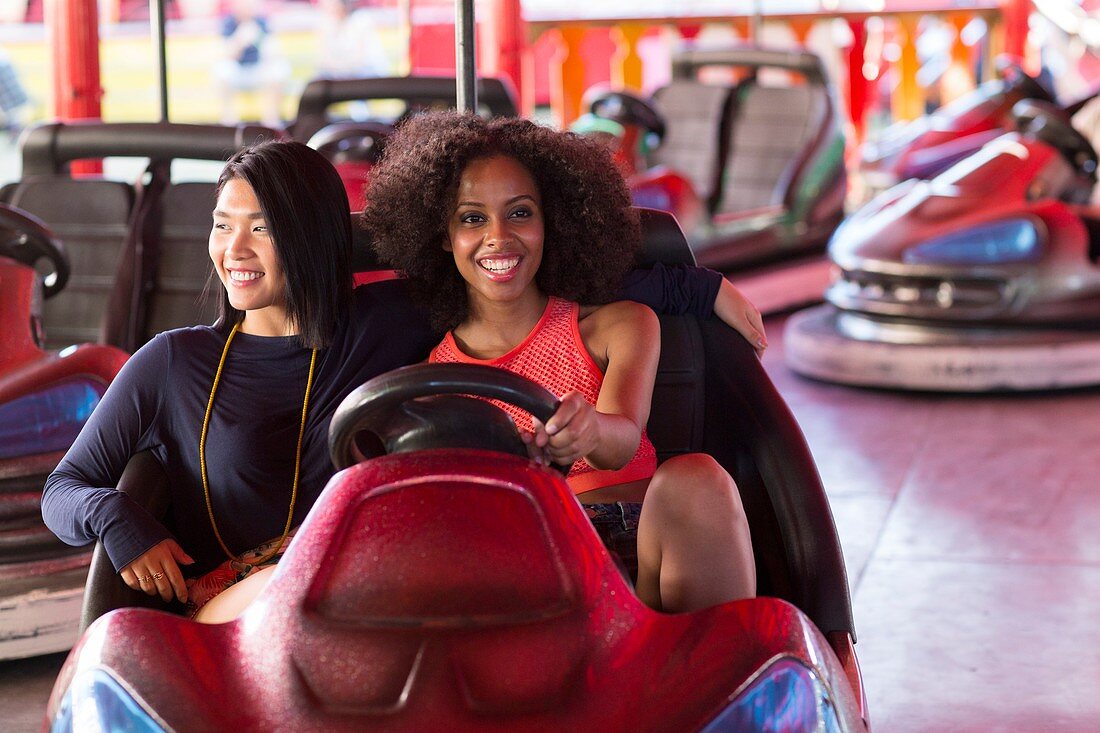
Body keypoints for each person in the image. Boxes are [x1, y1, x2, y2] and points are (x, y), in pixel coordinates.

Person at [41, 140, 764, 624]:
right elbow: (63, 490)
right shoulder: (171, 363)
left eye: (261, 228)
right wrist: (117, 518)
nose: (233, 250)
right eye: (222, 225)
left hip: (376, 593)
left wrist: (691, 285)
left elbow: (508, 267)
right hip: (250, 606)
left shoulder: (392, 321)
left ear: (313, 235)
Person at [364, 112, 757, 613]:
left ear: (553, 222)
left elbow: (622, 440)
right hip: (530, 573)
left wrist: (590, 430)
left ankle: (713, 670)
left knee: (695, 478)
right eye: (472, 218)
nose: (498, 236)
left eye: (520, 213)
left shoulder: (620, 326)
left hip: (644, 558)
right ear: (443, 237)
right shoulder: (432, 382)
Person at [214, 0, 290, 128]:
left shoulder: (262, 22)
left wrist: (259, 39)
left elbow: (273, 52)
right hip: (237, 71)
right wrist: (240, 39)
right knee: (222, 70)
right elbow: (225, 55)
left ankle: (272, 124)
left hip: (258, 70)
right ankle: (229, 123)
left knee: (279, 70)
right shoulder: (228, 23)